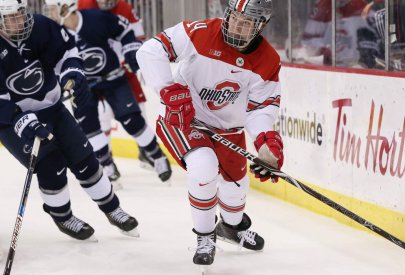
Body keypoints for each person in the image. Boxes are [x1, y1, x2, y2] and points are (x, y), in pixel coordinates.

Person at [137, 0, 284, 266]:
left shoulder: (268, 60)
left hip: (228, 129)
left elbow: (261, 107)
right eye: (234, 17)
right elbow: (150, 50)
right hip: (184, 120)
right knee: (203, 168)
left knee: (237, 187)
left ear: (260, 25)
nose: (237, 25)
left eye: (246, 21)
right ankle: (205, 236)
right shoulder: (200, 32)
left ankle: (231, 227)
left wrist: (265, 143)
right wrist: (168, 90)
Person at [0, 0, 138, 240]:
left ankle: (113, 209)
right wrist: (21, 121)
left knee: (85, 158)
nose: (18, 21)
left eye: (20, 14)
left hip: (52, 108)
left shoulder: (42, 27)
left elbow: (67, 53)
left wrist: (73, 73)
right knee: (50, 165)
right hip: (13, 120)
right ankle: (63, 217)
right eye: (10, 18)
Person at [43, 0, 172, 184]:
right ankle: (107, 164)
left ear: (66, 7)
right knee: (89, 127)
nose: (50, 14)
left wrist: (130, 49)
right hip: (82, 85)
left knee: (132, 120)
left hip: (112, 78)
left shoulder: (95, 19)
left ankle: (156, 155)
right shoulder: (53, 33)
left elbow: (125, 28)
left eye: (53, 9)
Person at [77, 0, 156, 169]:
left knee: (138, 106)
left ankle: (145, 150)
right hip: (94, 72)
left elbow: (137, 37)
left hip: (122, 67)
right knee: (101, 113)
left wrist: (131, 56)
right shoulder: (83, 6)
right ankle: (104, 158)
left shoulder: (124, 7)